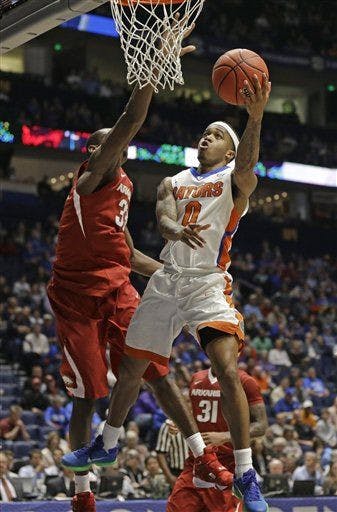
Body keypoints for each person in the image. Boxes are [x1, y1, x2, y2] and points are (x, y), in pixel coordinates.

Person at [66, 74, 271, 511]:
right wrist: (174, 227)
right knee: (131, 367)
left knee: (226, 367)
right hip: (167, 280)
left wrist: (254, 118)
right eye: (204, 134)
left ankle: (245, 472)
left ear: (230, 151)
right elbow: (162, 217)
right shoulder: (172, 181)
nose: (206, 139)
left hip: (207, 284)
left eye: (216, 136)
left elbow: (250, 164)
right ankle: (108, 442)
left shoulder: (236, 179)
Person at [54, 24, 230, 512]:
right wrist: (154, 64)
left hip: (116, 287)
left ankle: (201, 458)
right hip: (74, 296)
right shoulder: (89, 180)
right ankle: (83, 492)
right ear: (90, 153)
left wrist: (186, 275)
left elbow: (128, 253)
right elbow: (131, 119)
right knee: (87, 395)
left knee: (154, 367)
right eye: (98, 144)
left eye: (110, 146)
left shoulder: (126, 184)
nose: (106, 149)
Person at [167, 367, 268, 511]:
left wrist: (225, 436)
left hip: (228, 465)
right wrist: (180, 423)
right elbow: (193, 411)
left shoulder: (246, 381)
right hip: (197, 462)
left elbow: (261, 425)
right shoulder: (196, 377)